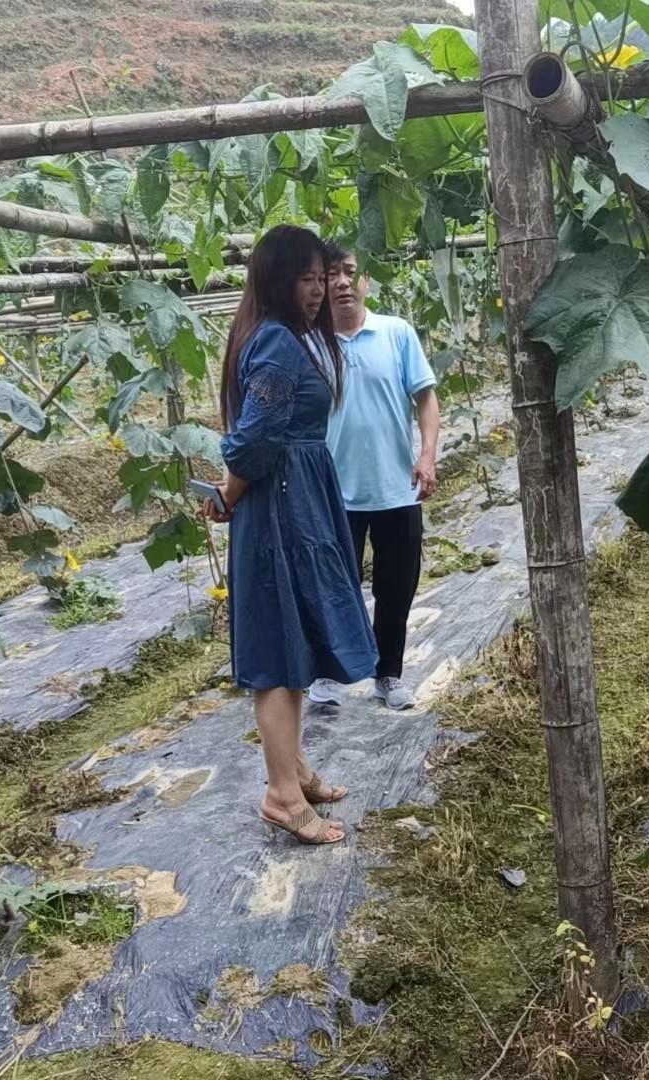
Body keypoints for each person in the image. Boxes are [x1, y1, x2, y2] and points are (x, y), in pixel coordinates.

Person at [206, 224, 378, 846]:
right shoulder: (279, 343)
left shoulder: (283, 338)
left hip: (293, 501)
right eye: (306, 278)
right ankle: (281, 794)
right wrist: (227, 494)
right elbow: (255, 438)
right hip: (279, 506)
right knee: (279, 649)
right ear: (276, 281)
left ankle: (295, 768)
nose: (319, 289)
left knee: (295, 637)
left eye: (323, 276)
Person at [306, 241, 441, 712]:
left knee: (395, 587)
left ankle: (389, 674)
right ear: (320, 285)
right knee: (332, 586)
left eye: (350, 272)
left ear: (366, 280)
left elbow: (425, 398)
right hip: (333, 493)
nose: (341, 283)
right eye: (331, 276)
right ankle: (329, 672)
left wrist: (427, 456)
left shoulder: (396, 333)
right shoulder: (309, 342)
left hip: (396, 489)